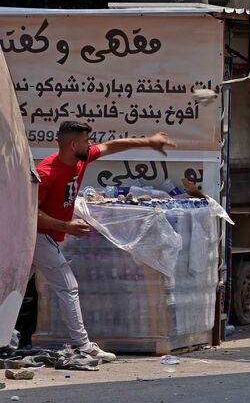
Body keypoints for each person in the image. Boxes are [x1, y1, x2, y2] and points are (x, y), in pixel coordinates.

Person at [32, 121, 175, 362]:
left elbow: (111, 146)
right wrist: (67, 226)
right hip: (38, 237)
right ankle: (84, 344)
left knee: (10, 287)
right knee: (68, 287)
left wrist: (148, 142)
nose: (91, 145)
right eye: (87, 141)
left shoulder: (80, 159)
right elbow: (31, 213)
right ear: (72, 144)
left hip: (50, 237)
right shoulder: (46, 172)